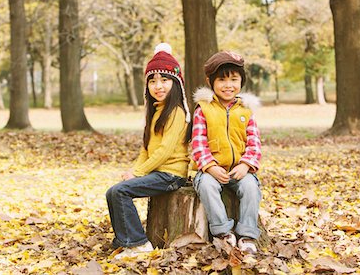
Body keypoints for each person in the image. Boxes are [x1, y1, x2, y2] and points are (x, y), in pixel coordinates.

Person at [106, 43, 191, 259]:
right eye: (152, 81)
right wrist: (134, 170)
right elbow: (146, 149)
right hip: (157, 173)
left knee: (120, 191)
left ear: (176, 83)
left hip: (172, 175)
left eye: (164, 80)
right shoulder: (155, 112)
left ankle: (139, 244)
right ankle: (124, 240)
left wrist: (139, 173)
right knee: (113, 191)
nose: (158, 86)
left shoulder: (176, 113)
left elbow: (164, 151)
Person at [191, 51, 262, 254]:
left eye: (233, 79)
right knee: (206, 186)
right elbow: (198, 144)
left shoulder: (246, 110)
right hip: (210, 171)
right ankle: (222, 232)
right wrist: (211, 167)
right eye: (222, 80)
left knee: (250, 187)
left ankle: (248, 234)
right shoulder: (203, 109)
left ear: (241, 81)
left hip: (240, 170)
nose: (228, 85)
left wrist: (246, 164)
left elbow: (254, 143)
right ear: (210, 81)